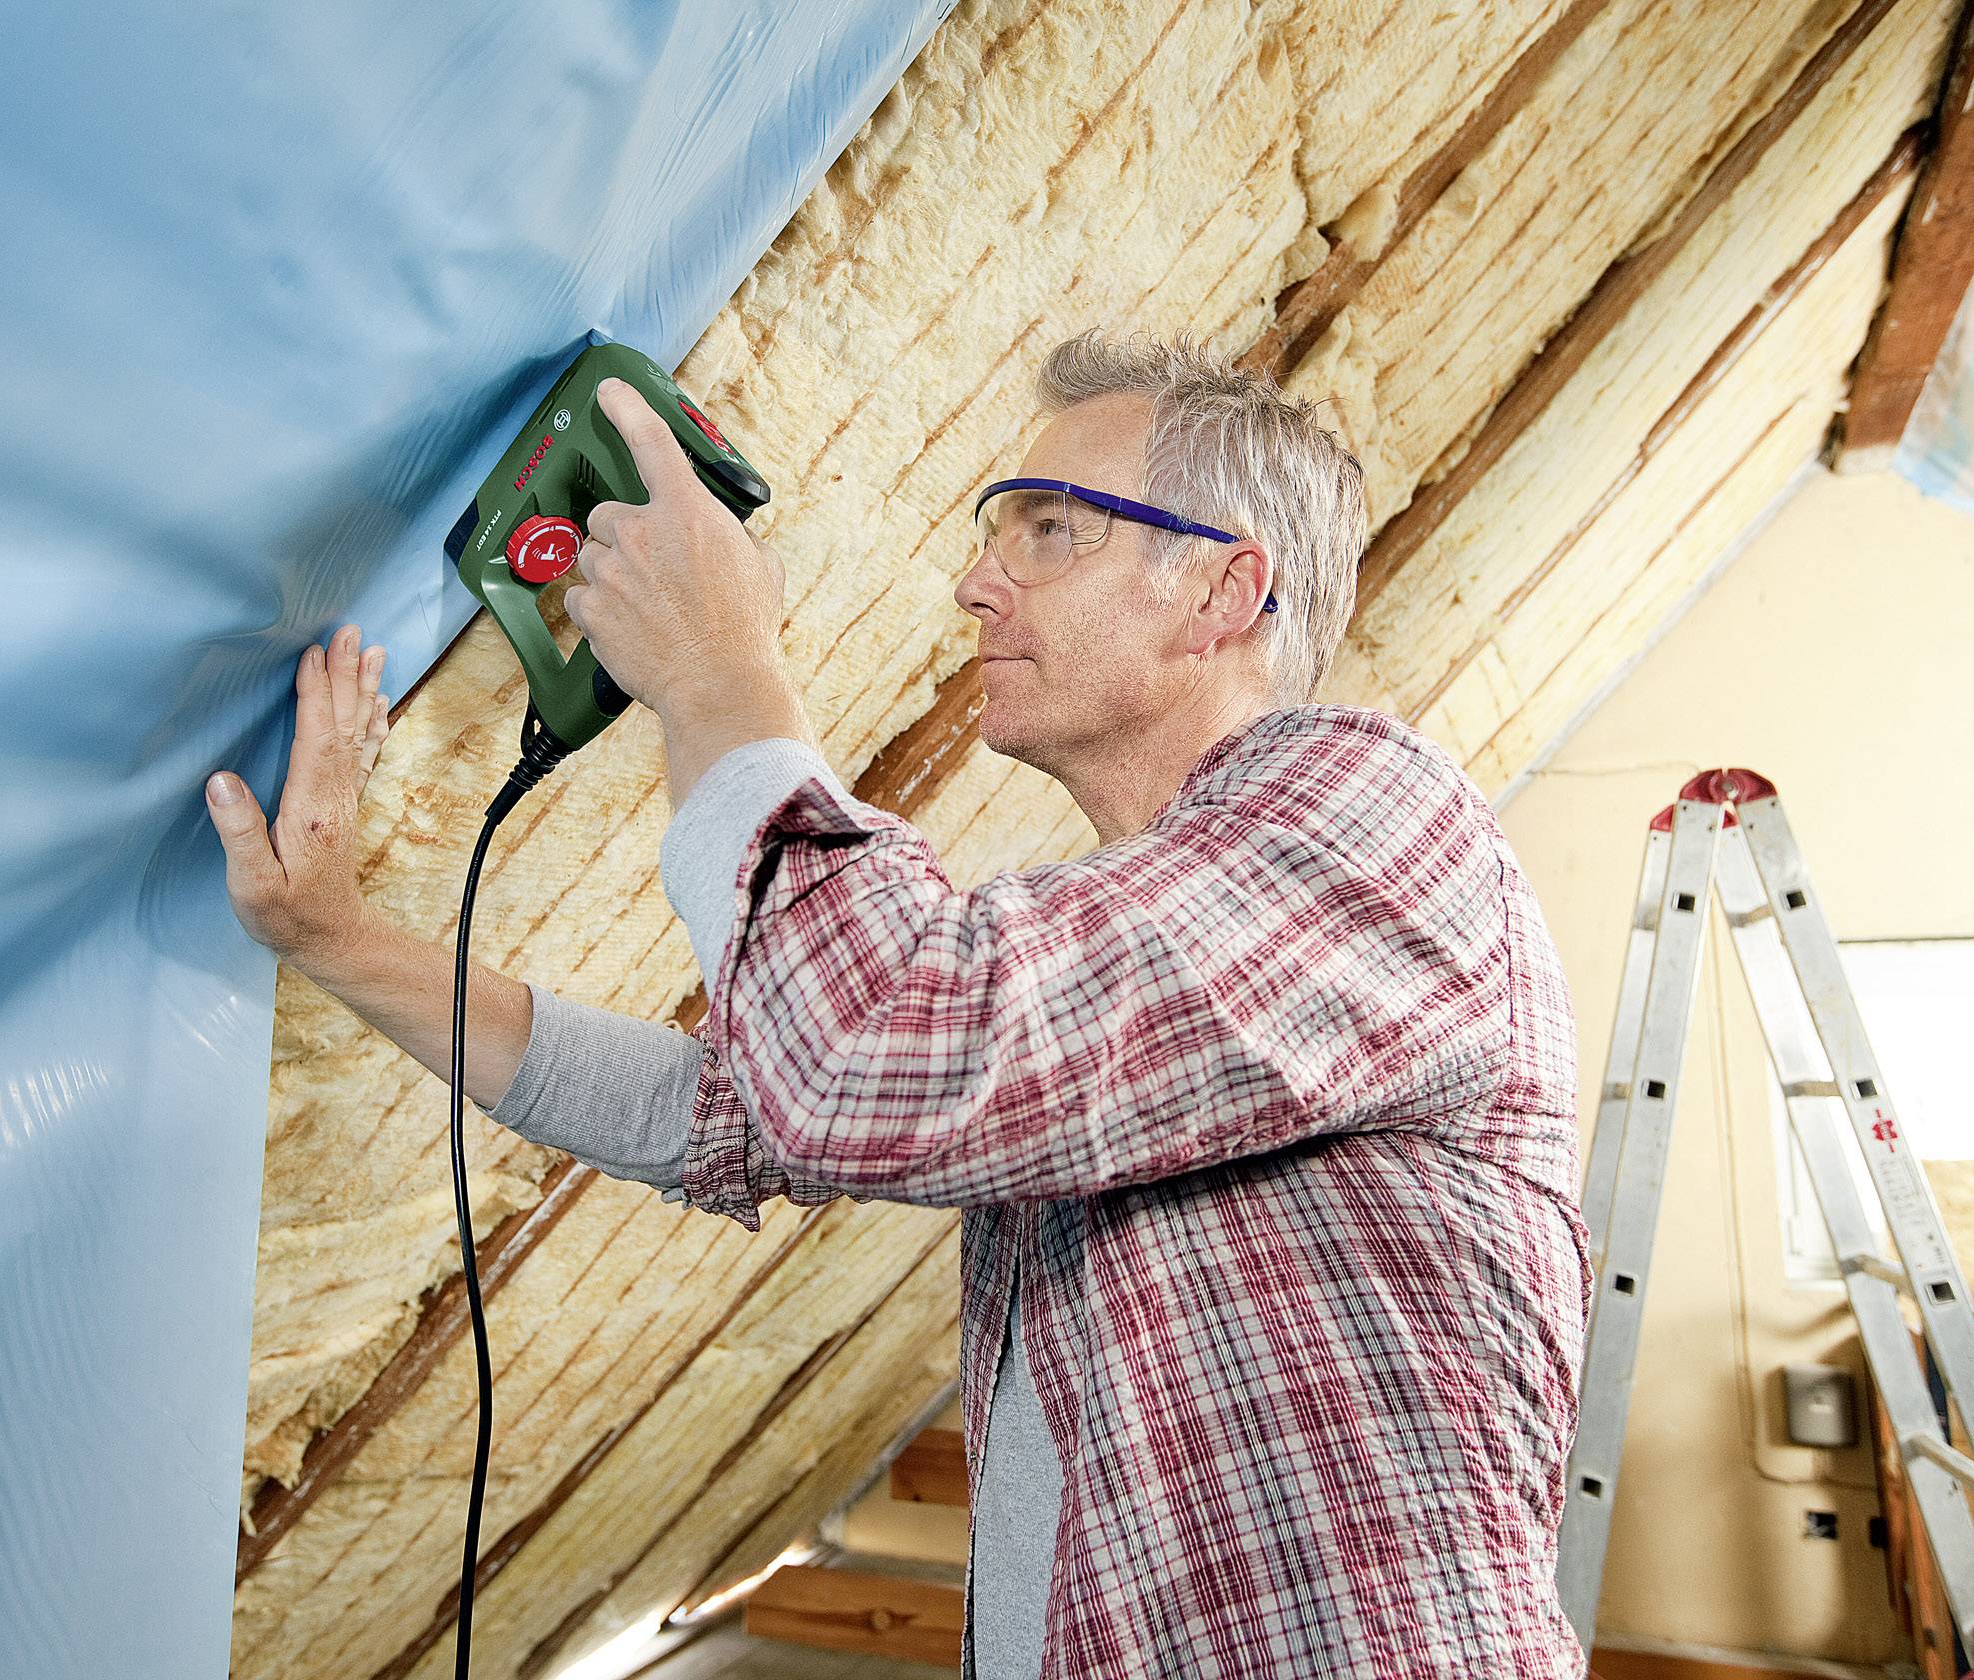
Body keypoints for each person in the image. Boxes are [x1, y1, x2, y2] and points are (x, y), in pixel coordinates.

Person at [204, 330, 1591, 1676]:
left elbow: (860, 1049)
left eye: (1050, 528)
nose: (977, 584)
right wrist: (335, 937)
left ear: (1227, 593)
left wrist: (719, 671)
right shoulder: (1129, 993)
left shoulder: (1376, 818)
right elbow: (729, 1104)